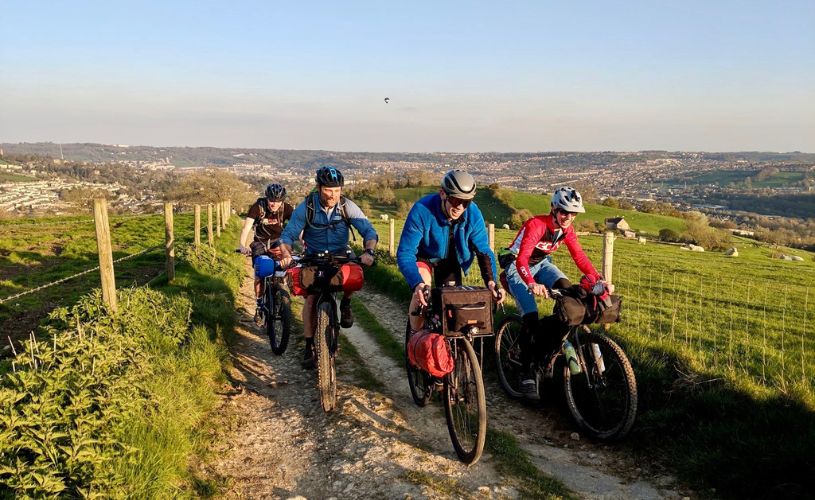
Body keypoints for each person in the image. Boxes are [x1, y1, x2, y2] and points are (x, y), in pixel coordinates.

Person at [503, 186, 606, 400]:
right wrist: (531, 284)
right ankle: (526, 371)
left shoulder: (567, 230)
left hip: (542, 264)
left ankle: (547, 344)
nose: (568, 217)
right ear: (553, 209)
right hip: (517, 267)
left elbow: (579, 257)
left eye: (573, 213)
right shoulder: (537, 224)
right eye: (564, 212)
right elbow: (522, 259)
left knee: (570, 295)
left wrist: (599, 280)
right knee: (530, 315)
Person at [278, 166, 378, 368]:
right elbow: (288, 235)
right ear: (318, 187)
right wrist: (287, 254)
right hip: (314, 254)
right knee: (311, 299)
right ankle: (308, 344)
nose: (332, 195)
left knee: (352, 275)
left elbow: (369, 231)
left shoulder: (346, 206)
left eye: (336, 190)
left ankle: (346, 303)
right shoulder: (307, 207)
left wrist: (369, 252)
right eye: (327, 190)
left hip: (341, 252)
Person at [397, 170, 505, 333]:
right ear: (443, 194)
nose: (460, 207)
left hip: (452, 260)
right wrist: (417, 284)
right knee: (423, 292)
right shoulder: (422, 210)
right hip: (425, 256)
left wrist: (491, 282)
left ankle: (456, 350)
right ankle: (415, 336)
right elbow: (405, 252)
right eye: (455, 200)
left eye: (466, 202)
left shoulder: (473, 213)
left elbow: (483, 251)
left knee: (453, 306)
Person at [238, 183, 294, 326]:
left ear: (282, 201)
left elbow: (296, 227)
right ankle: (259, 306)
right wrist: (242, 245)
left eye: (277, 201)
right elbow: (247, 228)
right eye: (271, 200)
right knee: (260, 273)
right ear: (267, 198)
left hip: (278, 242)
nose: (274, 204)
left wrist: (304, 241)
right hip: (260, 243)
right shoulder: (258, 207)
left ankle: (282, 288)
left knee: (287, 261)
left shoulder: (286, 208)